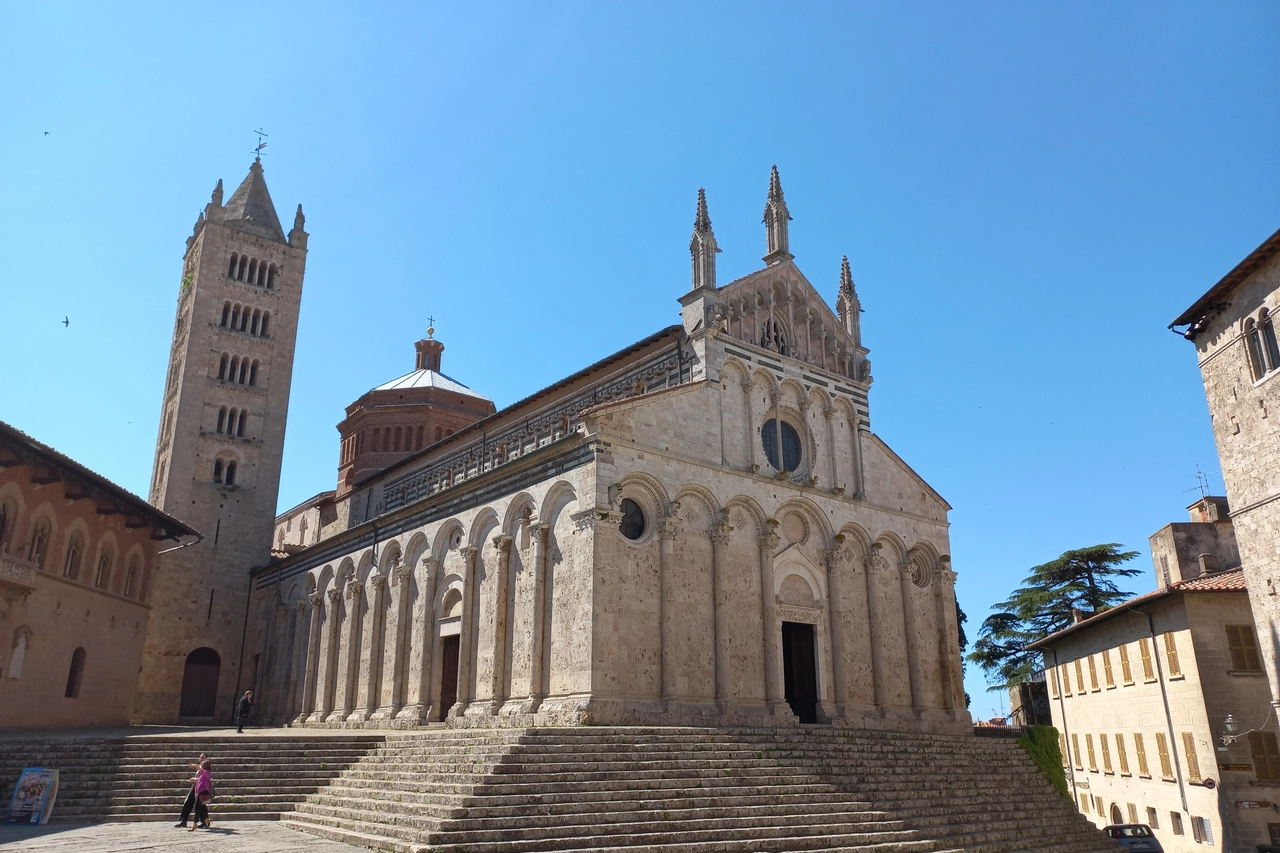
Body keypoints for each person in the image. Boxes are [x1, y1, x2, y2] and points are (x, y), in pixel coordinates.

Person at [174, 752, 208, 828]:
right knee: (188, 803)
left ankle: (205, 821)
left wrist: (195, 779)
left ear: (206, 759)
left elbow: (205, 779)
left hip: (201, 789)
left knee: (201, 806)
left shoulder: (206, 767)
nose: (201, 759)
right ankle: (184, 821)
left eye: (203, 757)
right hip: (195, 788)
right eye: (200, 757)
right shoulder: (200, 767)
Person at [190, 759, 213, 831]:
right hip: (199, 791)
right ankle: (206, 819)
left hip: (203, 792)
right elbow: (200, 780)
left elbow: (201, 771)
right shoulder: (203, 774)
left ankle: (195, 823)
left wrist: (196, 766)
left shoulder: (207, 772)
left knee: (196, 807)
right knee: (200, 807)